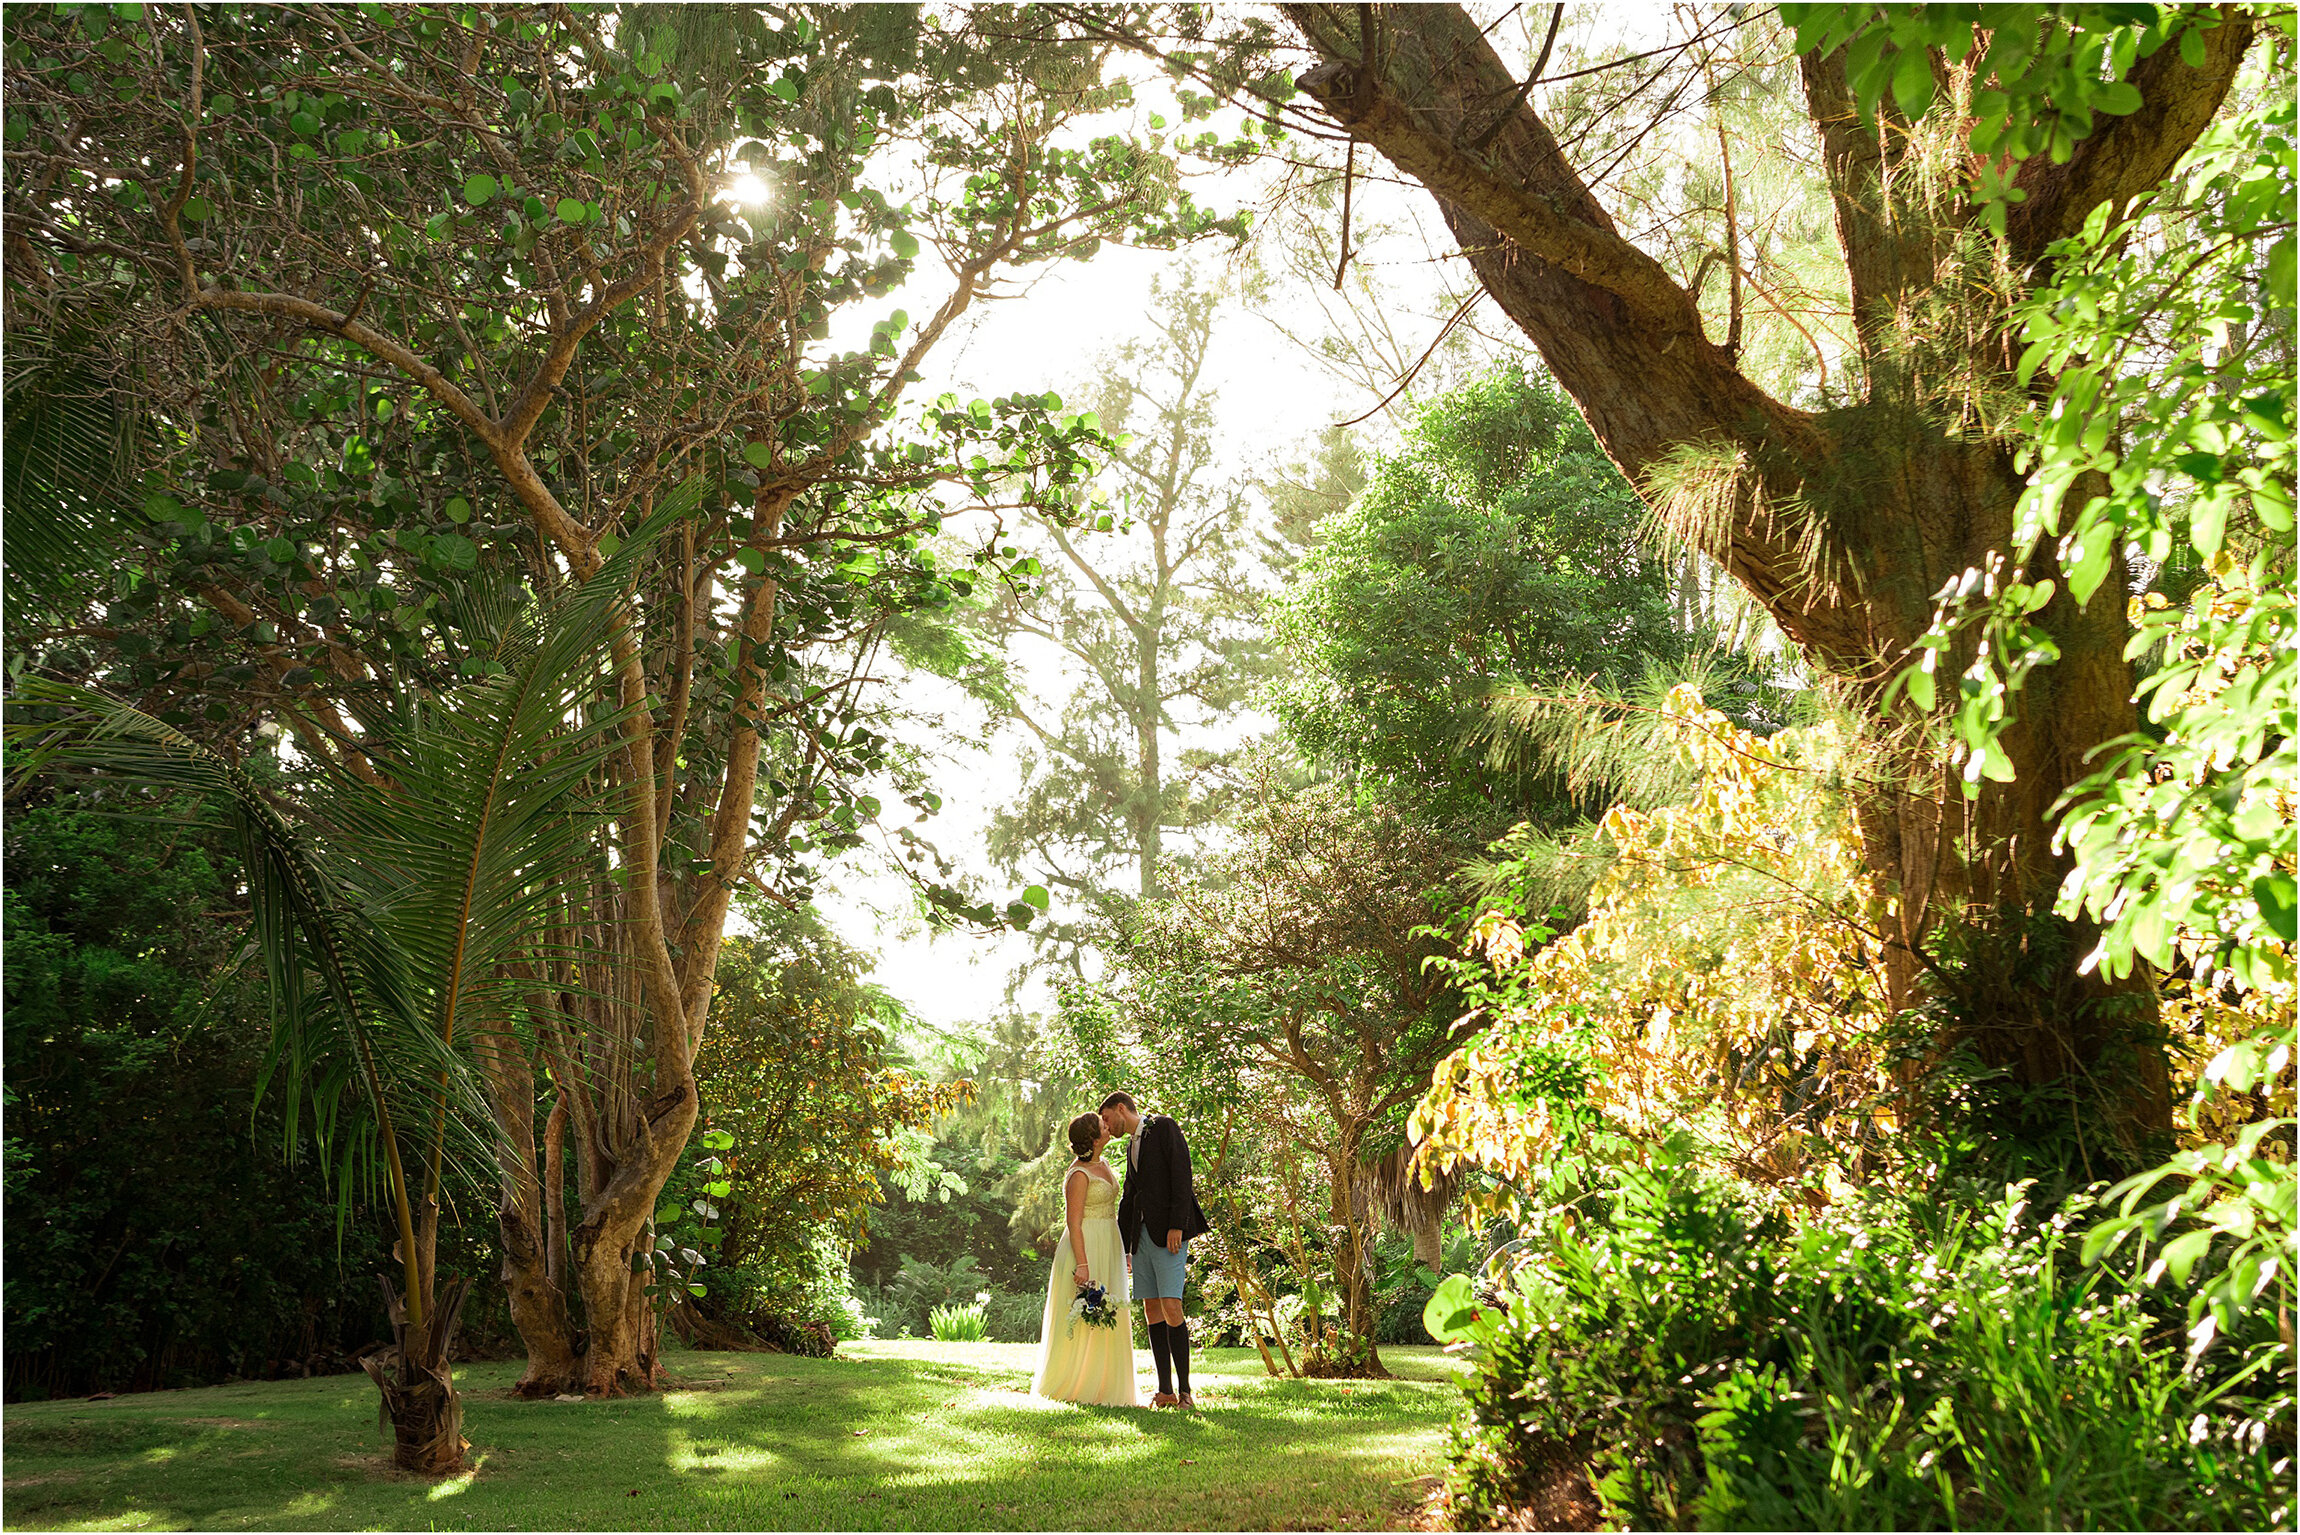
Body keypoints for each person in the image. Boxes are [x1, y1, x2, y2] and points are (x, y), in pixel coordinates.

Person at [1101, 1090, 1210, 1409]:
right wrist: (1125, 1245)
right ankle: (1165, 1391)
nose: (1107, 1126)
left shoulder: (1164, 1127)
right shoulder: (1131, 1145)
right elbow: (1130, 1198)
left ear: (1121, 1109)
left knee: (1172, 1306)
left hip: (1169, 1234)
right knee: (1151, 1309)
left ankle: (1186, 1390)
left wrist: (1178, 1224)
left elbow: (1182, 1175)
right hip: (1143, 1237)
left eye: (1107, 1118)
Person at [1029, 1111, 1137, 1406]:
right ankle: (1075, 1384)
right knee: (1083, 1317)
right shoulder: (1078, 1174)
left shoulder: (1103, 1164)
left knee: (1109, 1313)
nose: (1108, 1125)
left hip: (1109, 1241)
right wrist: (1083, 1264)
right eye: (1102, 1124)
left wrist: (1125, 1251)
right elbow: (1073, 1223)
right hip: (1085, 1244)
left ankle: (1108, 1386)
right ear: (1092, 1137)